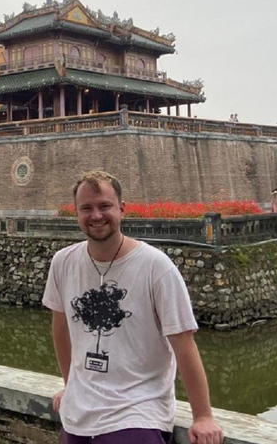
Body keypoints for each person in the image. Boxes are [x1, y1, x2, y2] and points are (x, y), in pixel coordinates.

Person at [43, 171, 223, 444]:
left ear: (122, 209)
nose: (96, 216)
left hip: (137, 412)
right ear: (76, 214)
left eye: (105, 206)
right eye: (86, 208)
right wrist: (71, 386)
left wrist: (203, 416)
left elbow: (183, 343)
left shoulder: (155, 266)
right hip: (78, 417)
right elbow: (61, 329)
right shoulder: (63, 262)